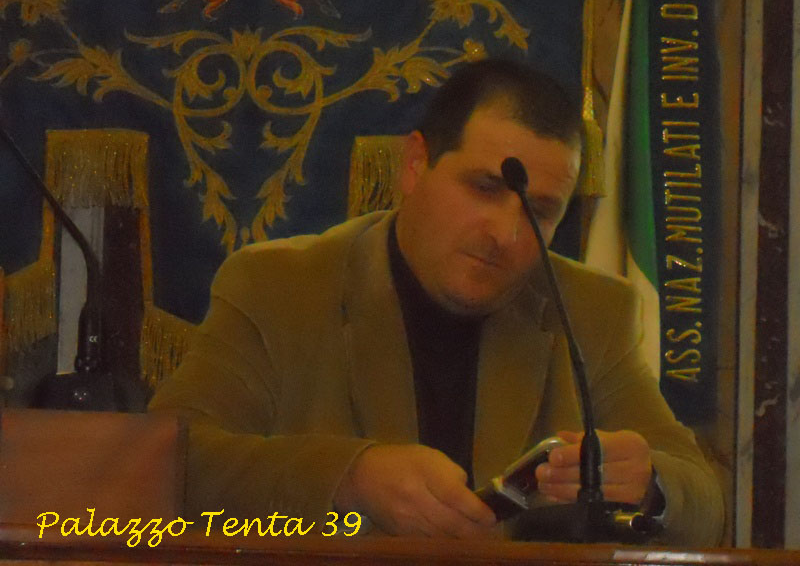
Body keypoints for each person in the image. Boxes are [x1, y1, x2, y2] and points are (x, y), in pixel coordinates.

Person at [149, 59, 724, 545]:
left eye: (539, 211)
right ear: (415, 165)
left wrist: (649, 486)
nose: (506, 233)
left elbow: (705, 502)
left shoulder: (591, 311)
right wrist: (350, 478)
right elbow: (168, 464)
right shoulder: (279, 285)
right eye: (484, 188)